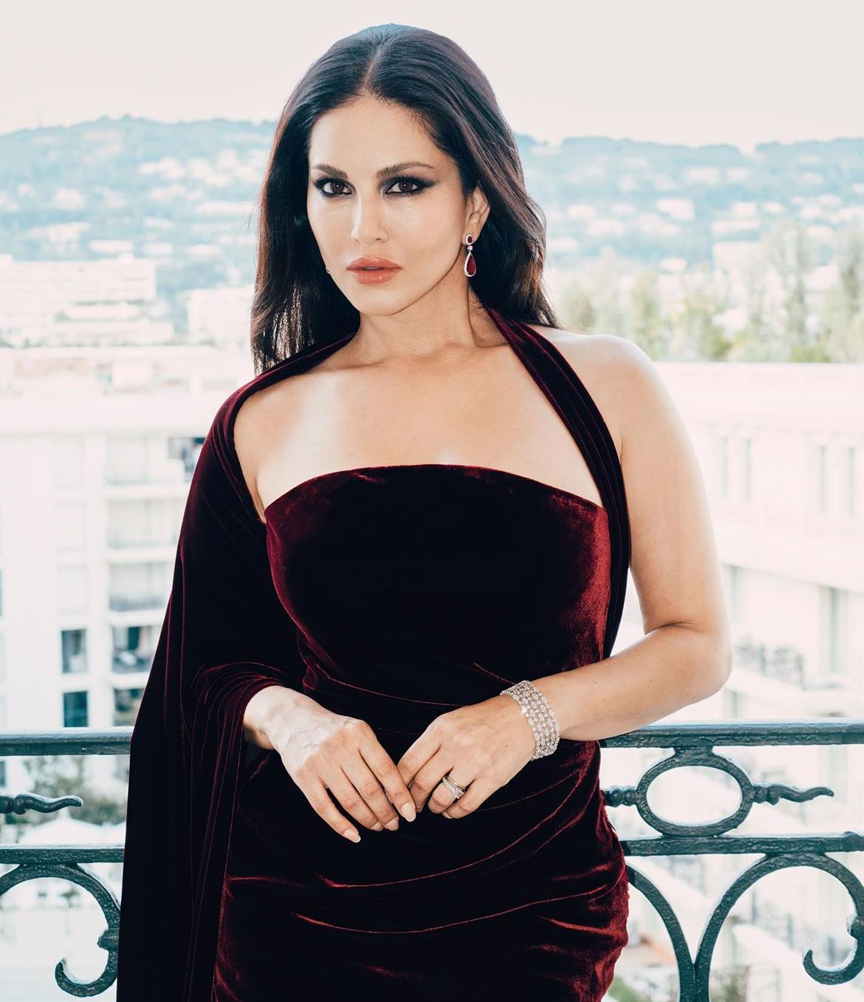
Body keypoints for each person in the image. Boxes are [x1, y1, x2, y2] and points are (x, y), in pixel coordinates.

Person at [116, 22, 732, 1002]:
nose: (364, 228)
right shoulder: (261, 421)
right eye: (333, 187)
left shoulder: (605, 386)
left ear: (476, 200)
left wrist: (528, 717)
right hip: (289, 928)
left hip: (531, 920)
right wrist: (292, 720)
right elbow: (204, 669)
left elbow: (697, 645)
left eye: (404, 185)